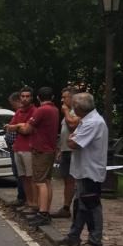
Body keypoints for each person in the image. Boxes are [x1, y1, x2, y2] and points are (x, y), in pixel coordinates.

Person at [59, 92, 108, 246]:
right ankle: (74, 235)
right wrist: (72, 138)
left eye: (74, 106)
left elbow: (74, 143)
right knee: (80, 204)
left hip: (90, 170)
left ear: (79, 108)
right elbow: (73, 139)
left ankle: (95, 240)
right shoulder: (86, 121)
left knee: (91, 204)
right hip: (82, 169)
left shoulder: (92, 123)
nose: (72, 109)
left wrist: (71, 139)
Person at [19, 87, 60, 227]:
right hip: (50, 148)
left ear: (37, 98)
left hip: (41, 149)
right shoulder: (55, 110)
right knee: (47, 181)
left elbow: (26, 129)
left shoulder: (41, 110)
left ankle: (42, 213)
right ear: (52, 97)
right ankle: (46, 211)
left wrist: (17, 126)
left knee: (40, 182)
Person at [6, 87, 37, 213]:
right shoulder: (19, 112)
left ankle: (34, 204)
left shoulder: (35, 111)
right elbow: (9, 128)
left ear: (32, 97)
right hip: (17, 147)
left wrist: (16, 126)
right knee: (23, 177)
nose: (24, 98)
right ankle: (28, 202)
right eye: (22, 96)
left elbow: (26, 129)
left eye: (27, 96)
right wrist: (19, 126)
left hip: (29, 148)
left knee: (31, 178)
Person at [54, 86, 81, 218]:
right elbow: (64, 131)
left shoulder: (78, 111)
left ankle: (76, 206)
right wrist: (59, 148)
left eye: (65, 97)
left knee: (73, 180)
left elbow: (72, 126)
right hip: (66, 150)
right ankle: (66, 207)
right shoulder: (69, 112)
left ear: (72, 98)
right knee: (67, 180)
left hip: (74, 151)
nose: (62, 100)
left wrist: (65, 111)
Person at [5, 92, 27, 207]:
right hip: (15, 147)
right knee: (18, 173)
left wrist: (11, 129)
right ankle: (22, 197)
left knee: (21, 174)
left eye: (12, 103)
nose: (12, 106)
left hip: (19, 147)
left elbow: (18, 129)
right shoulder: (18, 113)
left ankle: (23, 198)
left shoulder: (23, 114)